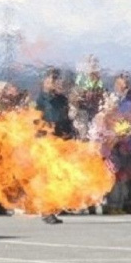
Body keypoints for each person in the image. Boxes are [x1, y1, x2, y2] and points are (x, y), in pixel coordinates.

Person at [35, 67, 75, 224]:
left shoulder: (62, 100)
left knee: (59, 177)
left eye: (57, 78)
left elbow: (66, 120)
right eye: (52, 78)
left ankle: (55, 208)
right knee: (48, 177)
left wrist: (70, 134)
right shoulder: (39, 101)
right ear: (44, 81)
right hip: (46, 143)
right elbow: (35, 122)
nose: (55, 81)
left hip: (61, 142)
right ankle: (47, 211)